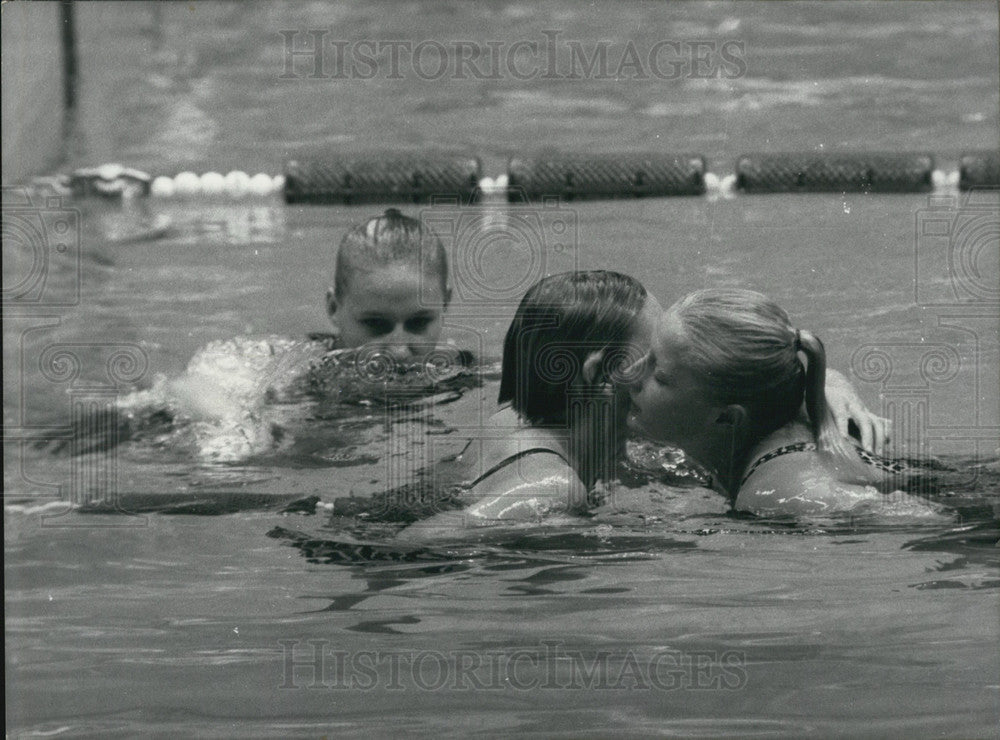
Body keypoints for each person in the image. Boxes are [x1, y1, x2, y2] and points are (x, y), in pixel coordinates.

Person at [401, 273, 887, 533]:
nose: (666, 365)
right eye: (650, 358)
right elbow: (412, 545)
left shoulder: (536, 419)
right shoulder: (549, 487)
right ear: (601, 376)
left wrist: (829, 386)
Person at [627, 288, 907, 516]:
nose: (631, 374)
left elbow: (930, 521)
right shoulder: (781, 408)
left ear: (728, 418)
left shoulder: (781, 492)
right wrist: (831, 382)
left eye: (660, 377)